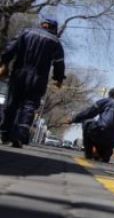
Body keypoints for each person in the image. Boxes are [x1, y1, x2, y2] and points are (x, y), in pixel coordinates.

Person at [0, 17, 65, 148]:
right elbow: (59, 63)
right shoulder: (55, 42)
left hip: (19, 74)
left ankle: (4, 133)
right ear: (53, 28)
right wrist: (58, 79)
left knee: (11, 104)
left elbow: (10, 48)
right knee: (29, 107)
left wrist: (4, 62)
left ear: (43, 25)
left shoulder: (25, 32)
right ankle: (19, 136)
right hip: (38, 79)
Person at [71, 87, 114, 162]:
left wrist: (73, 119)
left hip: (102, 133)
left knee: (87, 122)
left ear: (110, 95)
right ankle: (104, 152)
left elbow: (89, 112)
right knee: (104, 132)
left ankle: (89, 154)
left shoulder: (107, 101)